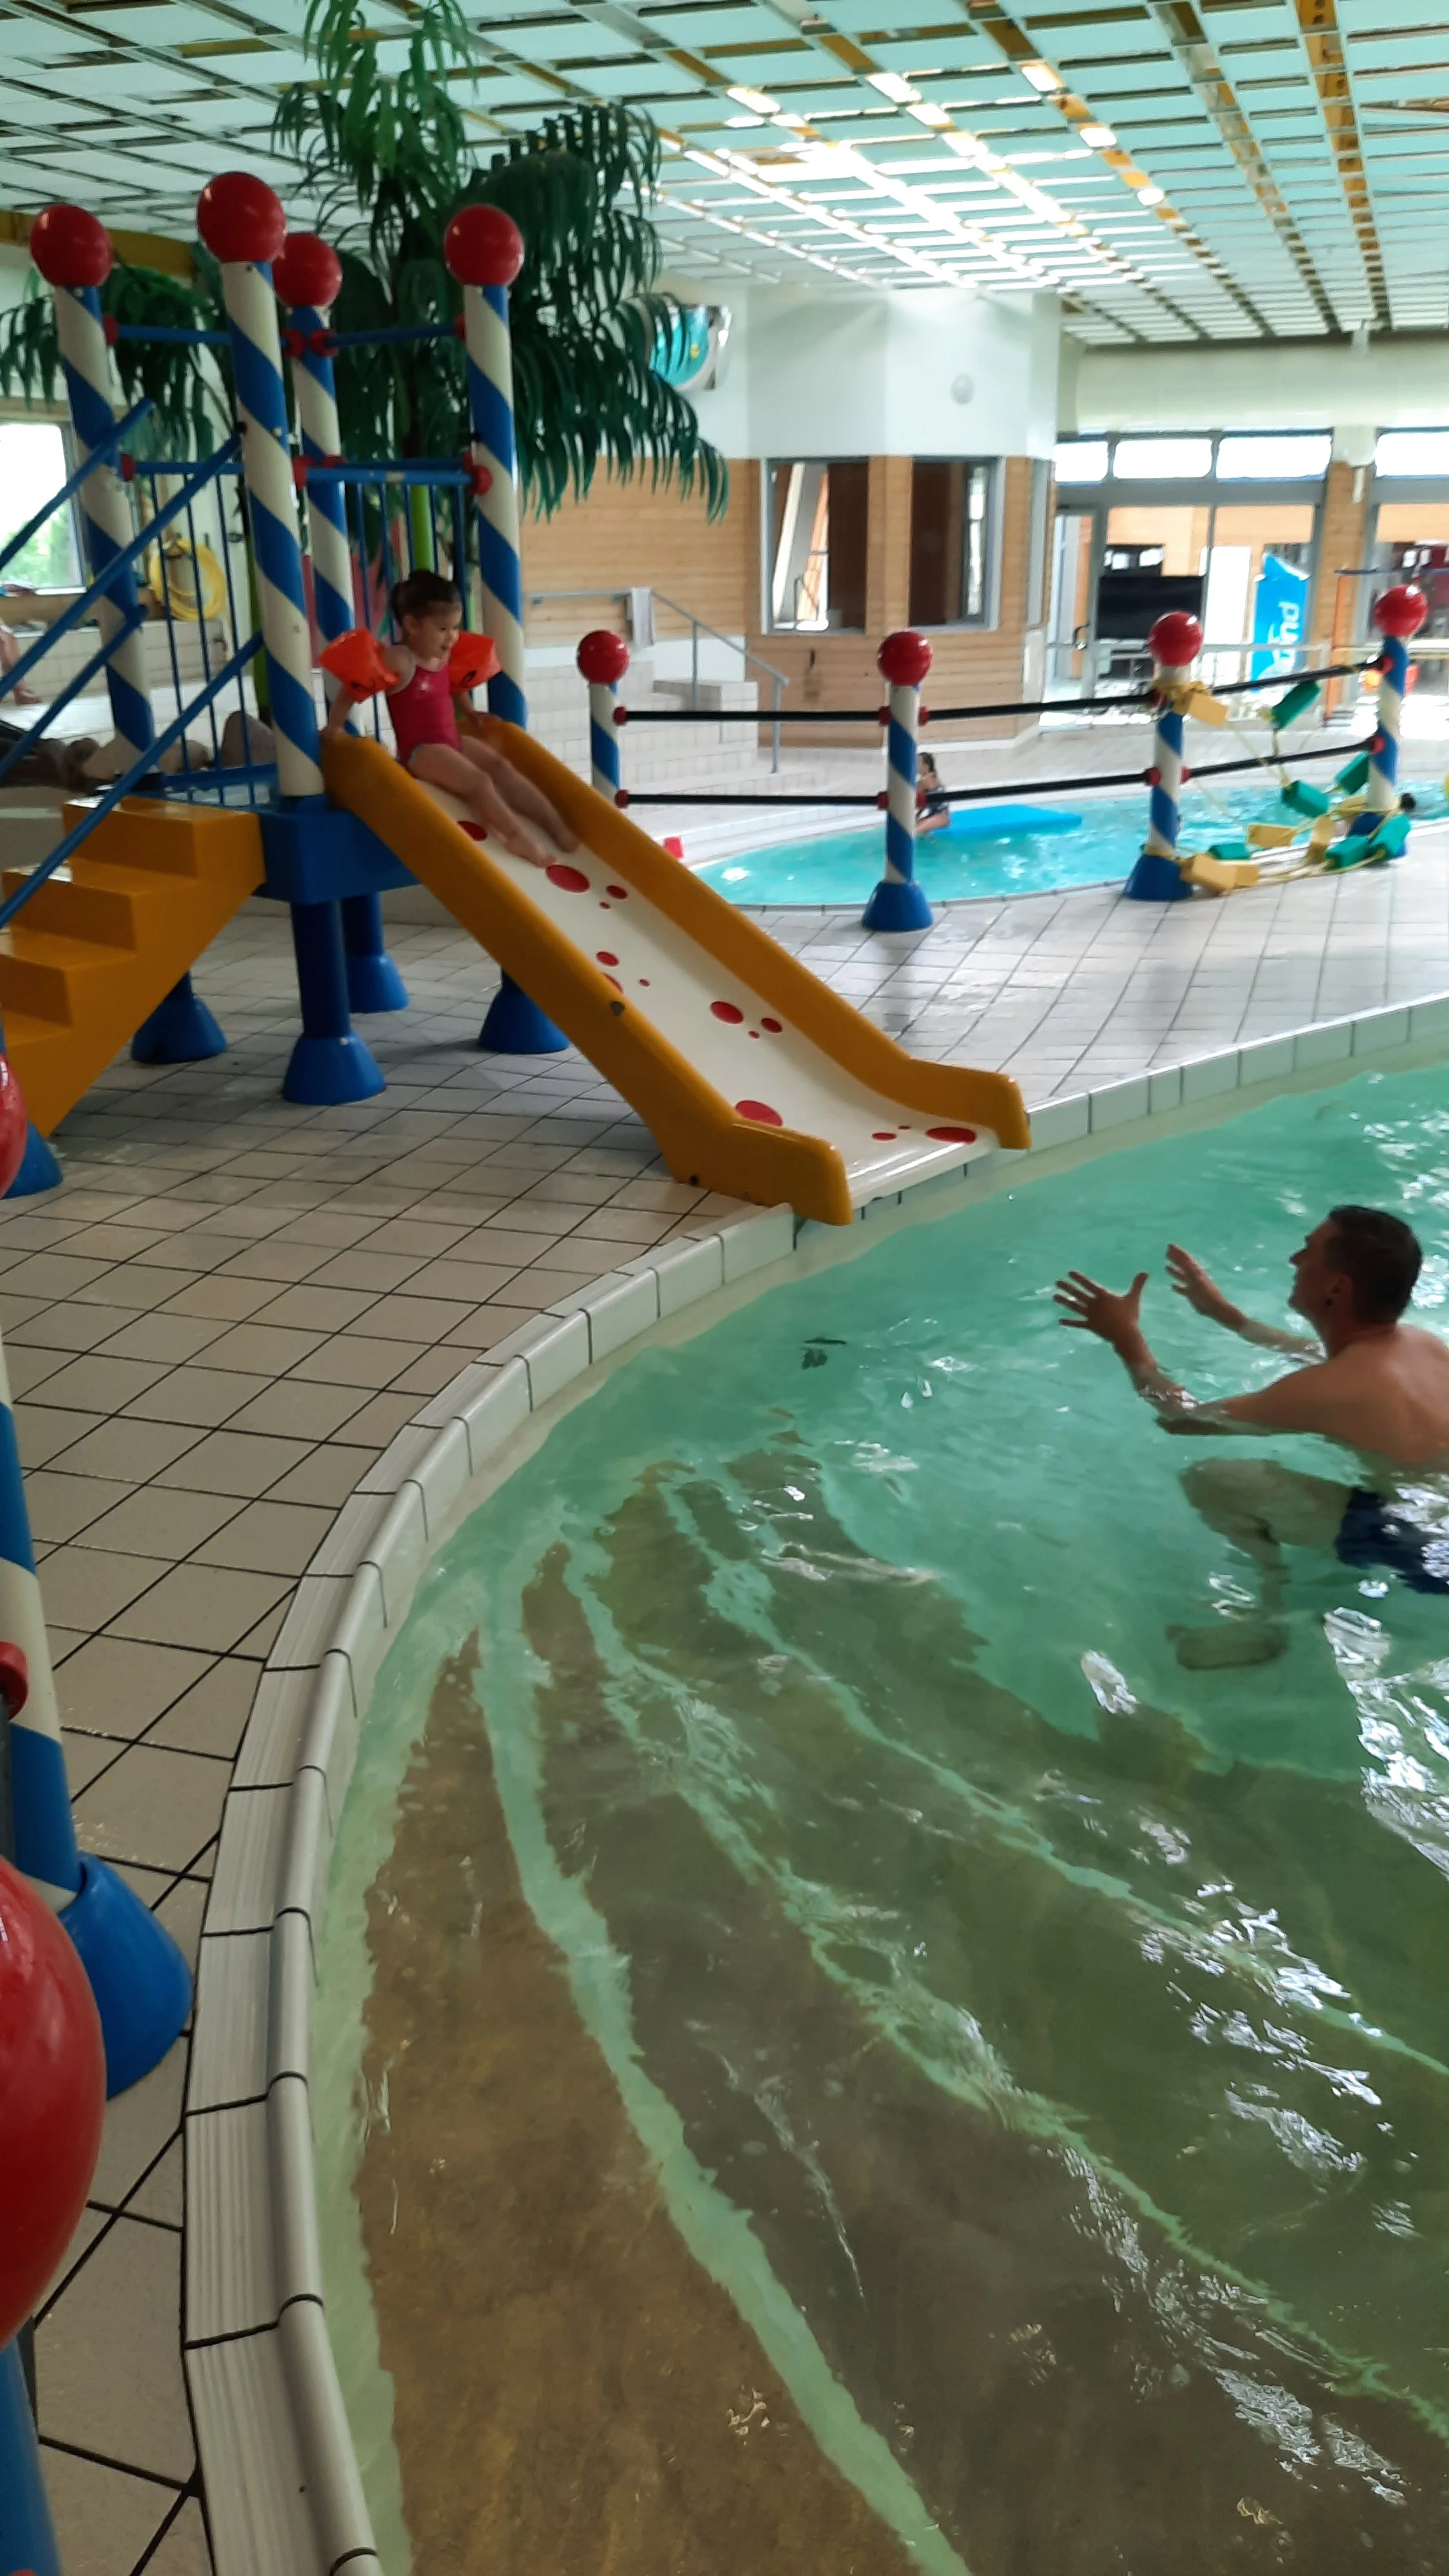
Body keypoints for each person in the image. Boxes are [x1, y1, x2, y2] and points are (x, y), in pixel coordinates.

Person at [1054, 1207, 1449, 1667]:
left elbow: (1182, 1419)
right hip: (1434, 1514)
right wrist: (1225, 1315)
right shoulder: (1422, 1345)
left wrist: (1126, 1339)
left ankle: (1268, 1626)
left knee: (1217, 1480)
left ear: (1337, 1287)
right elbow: (1311, 1354)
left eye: (1309, 1251)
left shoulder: (1336, 1387)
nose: (1294, 1259)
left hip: (1435, 1551)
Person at [324, 570, 574, 867]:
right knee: (480, 783)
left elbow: (453, 687)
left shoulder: (441, 657)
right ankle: (515, 836)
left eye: (455, 628)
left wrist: (470, 713)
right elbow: (355, 687)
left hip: (451, 739)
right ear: (412, 624)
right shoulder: (400, 660)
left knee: (500, 766)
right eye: (443, 629)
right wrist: (335, 726)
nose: (452, 637)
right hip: (422, 752)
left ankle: (554, 824)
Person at [916, 750, 950, 837]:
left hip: (941, 816)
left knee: (914, 832)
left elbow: (910, 798)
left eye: (918, 763)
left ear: (926, 766)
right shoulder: (933, 775)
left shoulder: (926, 780)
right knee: (914, 829)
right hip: (934, 815)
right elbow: (924, 802)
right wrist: (917, 816)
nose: (915, 765)